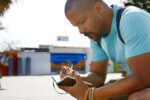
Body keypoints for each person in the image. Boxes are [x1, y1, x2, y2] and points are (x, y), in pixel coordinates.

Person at [58, 0, 150, 100]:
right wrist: (77, 79)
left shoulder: (131, 19)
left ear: (99, 9)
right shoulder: (96, 35)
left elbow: (142, 78)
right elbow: (98, 76)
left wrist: (89, 94)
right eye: (77, 26)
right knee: (96, 92)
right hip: (144, 83)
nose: (80, 31)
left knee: (137, 98)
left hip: (144, 81)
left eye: (82, 21)